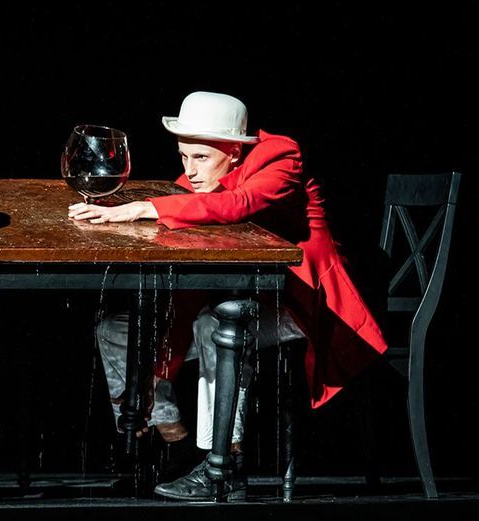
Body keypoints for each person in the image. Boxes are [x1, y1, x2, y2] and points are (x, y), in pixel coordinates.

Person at [70, 91, 387, 500]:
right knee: (116, 330)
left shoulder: (280, 156)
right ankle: (171, 443)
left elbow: (241, 202)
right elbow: (191, 276)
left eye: (201, 158)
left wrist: (144, 208)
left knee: (218, 324)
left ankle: (224, 463)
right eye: (184, 157)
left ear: (235, 151)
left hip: (304, 302)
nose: (190, 170)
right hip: (240, 300)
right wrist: (157, 366)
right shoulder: (196, 181)